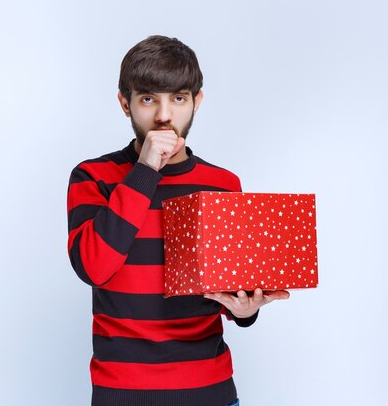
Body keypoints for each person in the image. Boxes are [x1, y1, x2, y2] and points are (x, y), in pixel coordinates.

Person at [66, 35, 290, 406]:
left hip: (209, 391)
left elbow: (228, 294)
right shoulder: (92, 177)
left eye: (179, 99)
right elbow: (94, 266)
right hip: (123, 394)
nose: (164, 116)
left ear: (197, 102)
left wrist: (245, 312)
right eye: (149, 99)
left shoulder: (223, 184)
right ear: (126, 103)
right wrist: (145, 171)